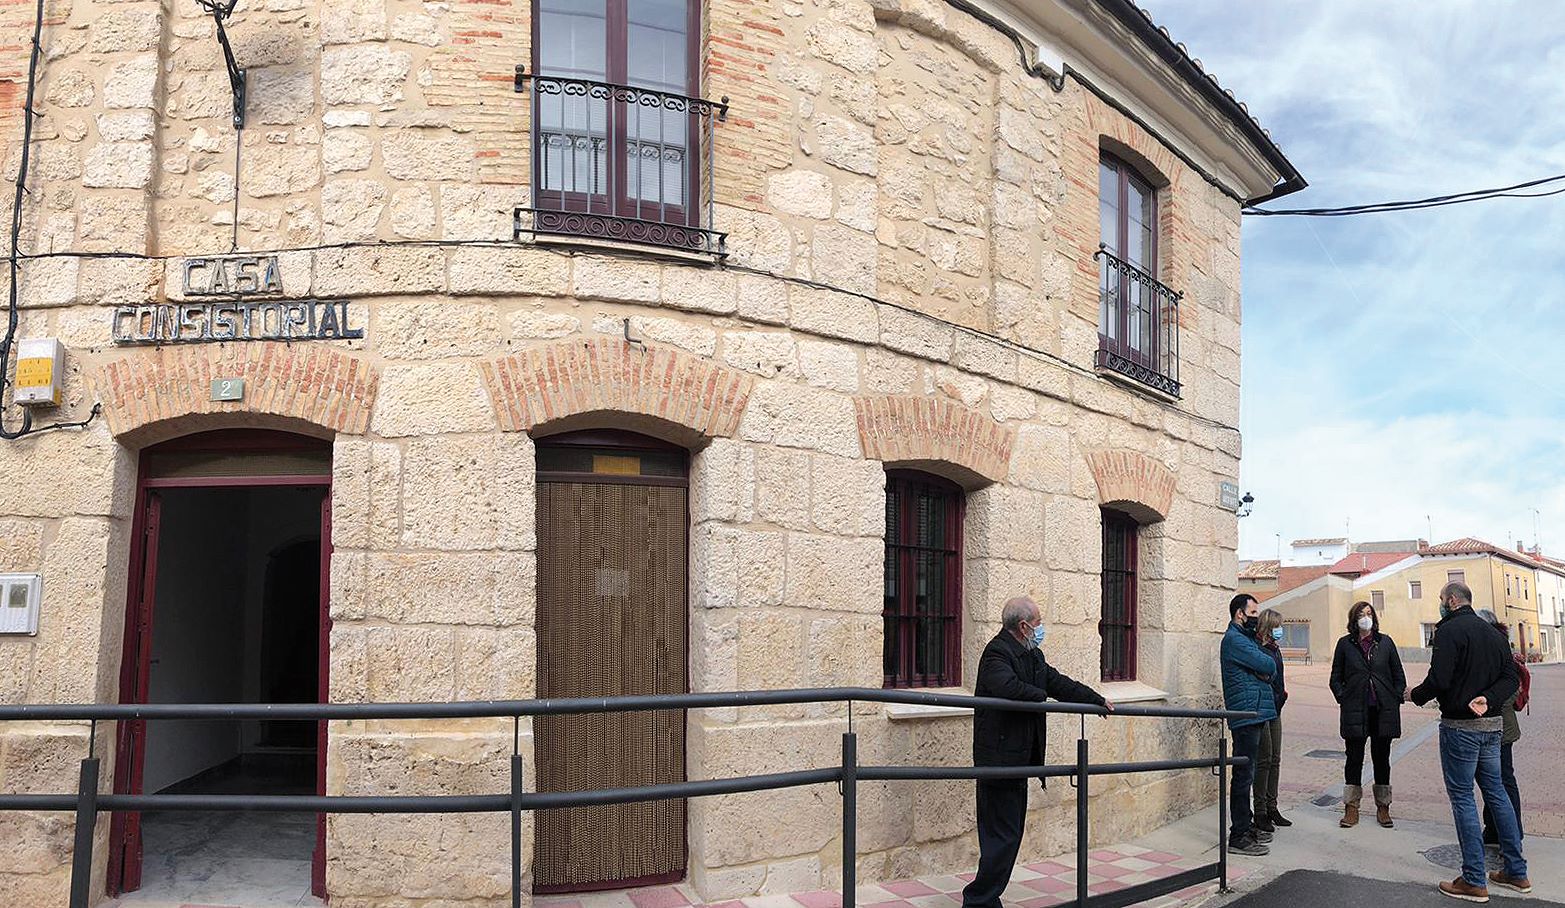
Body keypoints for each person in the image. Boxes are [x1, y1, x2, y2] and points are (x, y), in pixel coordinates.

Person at [963, 596, 1113, 908]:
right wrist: (1041, 694)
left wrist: (1095, 699)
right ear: (1023, 626)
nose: (1041, 628)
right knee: (1001, 836)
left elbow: (1060, 683)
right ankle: (978, 900)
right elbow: (1007, 687)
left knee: (1008, 836)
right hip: (998, 761)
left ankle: (984, 899)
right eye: (1038, 623)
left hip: (1018, 760)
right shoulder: (997, 652)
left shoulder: (1033, 655)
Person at [1410, 582, 1529, 902]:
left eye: (1440, 599)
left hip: (1460, 727)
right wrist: (1488, 698)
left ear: (1451, 600)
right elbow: (1511, 678)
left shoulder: (1448, 631)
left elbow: (1439, 679)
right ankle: (1516, 871)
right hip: (1492, 727)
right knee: (1497, 792)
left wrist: (1414, 695)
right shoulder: (1494, 634)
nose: (1440, 605)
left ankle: (1474, 879)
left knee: (1463, 798)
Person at [1329, 599, 1407, 829]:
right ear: (1354, 619)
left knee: (1382, 759)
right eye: (1362, 614)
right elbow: (1335, 677)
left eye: (1369, 613)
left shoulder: (1385, 642)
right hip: (1355, 710)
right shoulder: (1345, 644)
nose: (1366, 617)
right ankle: (1351, 807)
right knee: (1354, 759)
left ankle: (1383, 806)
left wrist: (1395, 696)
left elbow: (1398, 675)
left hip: (1382, 710)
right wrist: (1344, 697)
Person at [1220, 594, 1279, 857]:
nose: (1257, 617)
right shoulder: (1235, 640)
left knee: (1249, 772)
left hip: (1254, 711)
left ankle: (1246, 825)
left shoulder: (1245, 639)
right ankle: (1239, 835)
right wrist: (1261, 670)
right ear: (1240, 614)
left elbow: (1271, 669)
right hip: (1245, 714)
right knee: (1243, 775)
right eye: (1253, 612)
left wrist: (1263, 669)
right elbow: (1267, 663)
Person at [1480, 620, 1529, 845]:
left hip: (1502, 729)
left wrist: (1487, 701)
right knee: (1491, 780)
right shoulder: (1493, 653)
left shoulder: (1501, 657)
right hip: (1492, 726)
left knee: (1503, 780)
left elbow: (1510, 691)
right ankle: (1493, 829)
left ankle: (1513, 833)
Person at [1252, 608, 1290, 837]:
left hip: (1276, 707)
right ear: (1268, 626)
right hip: (1263, 707)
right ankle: (1260, 811)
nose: (1280, 630)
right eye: (1277, 626)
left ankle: (1272, 806)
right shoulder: (1257, 649)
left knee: (1275, 758)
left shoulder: (1275, 649)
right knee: (1264, 760)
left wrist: (1282, 696)